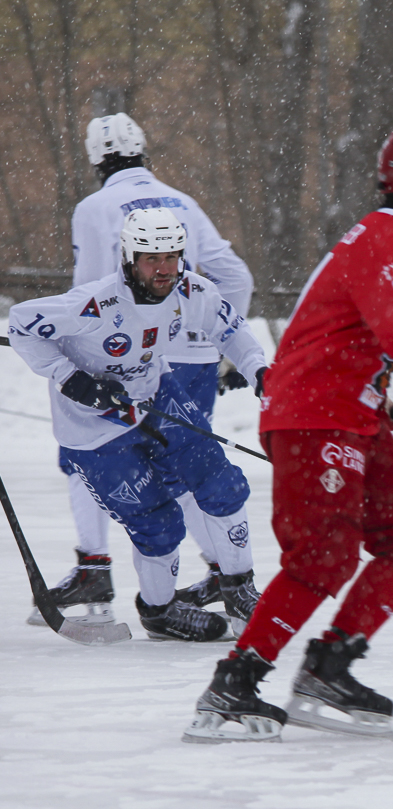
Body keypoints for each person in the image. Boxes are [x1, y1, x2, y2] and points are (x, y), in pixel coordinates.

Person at [183, 126, 393, 744]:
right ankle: (234, 685)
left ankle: (328, 669)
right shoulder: (386, 235)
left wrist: (375, 398)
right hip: (315, 418)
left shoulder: (380, 237)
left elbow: (355, 337)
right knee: (322, 555)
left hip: (348, 417)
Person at [35, 112, 256, 628]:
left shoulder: (92, 208)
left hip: (126, 351)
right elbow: (232, 275)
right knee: (191, 466)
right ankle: (229, 575)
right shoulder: (184, 201)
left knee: (95, 458)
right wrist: (219, 342)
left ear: (96, 160)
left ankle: (97, 565)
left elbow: (92, 291)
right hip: (192, 351)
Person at [8, 208, 268, 641]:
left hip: (155, 396)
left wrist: (259, 369)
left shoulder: (190, 290)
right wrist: (73, 380)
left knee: (220, 481)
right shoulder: (94, 303)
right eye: (152, 259)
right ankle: (160, 612)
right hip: (93, 430)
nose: (164, 269)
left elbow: (230, 329)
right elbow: (22, 325)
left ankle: (240, 587)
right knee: (159, 525)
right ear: (129, 258)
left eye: (172, 257)